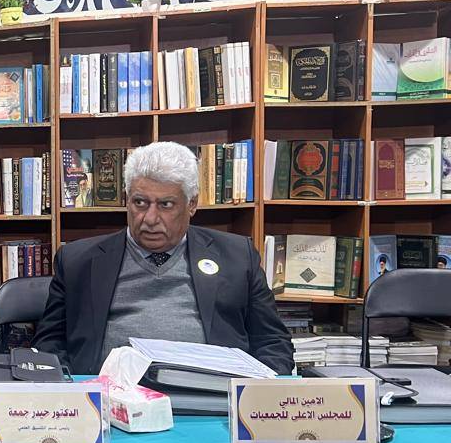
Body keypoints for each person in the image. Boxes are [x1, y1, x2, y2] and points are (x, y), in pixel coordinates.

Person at [35, 141, 293, 375]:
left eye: (165, 205)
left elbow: (273, 343)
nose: (150, 218)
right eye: (140, 203)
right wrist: (74, 390)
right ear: (126, 199)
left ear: (192, 204)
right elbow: (49, 345)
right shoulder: (78, 261)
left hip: (211, 399)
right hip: (108, 398)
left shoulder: (237, 257)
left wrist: (251, 394)